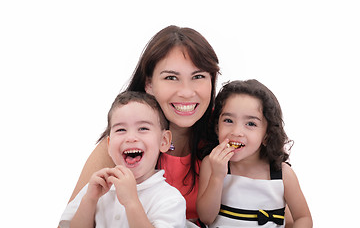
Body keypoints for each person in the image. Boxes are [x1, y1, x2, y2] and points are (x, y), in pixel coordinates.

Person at [67, 25, 220, 223]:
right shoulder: (123, 143)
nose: (186, 92)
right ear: (149, 84)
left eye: (198, 76)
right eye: (171, 77)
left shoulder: (226, 132)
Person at [59, 91, 186, 228]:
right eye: (120, 130)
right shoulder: (95, 188)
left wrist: (131, 202)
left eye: (143, 128)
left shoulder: (170, 199)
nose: (131, 138)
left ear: (164, 141)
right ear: (109, 144)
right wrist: (90, 199)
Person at [196, 80, 312, 227]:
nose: (236, 132)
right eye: (228, 120)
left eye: (250, 124)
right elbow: (206, 218)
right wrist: (217, 177)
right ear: (217, 127)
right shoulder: (211, 164)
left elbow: (303, 217)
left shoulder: (283, 174)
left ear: (267, 135)